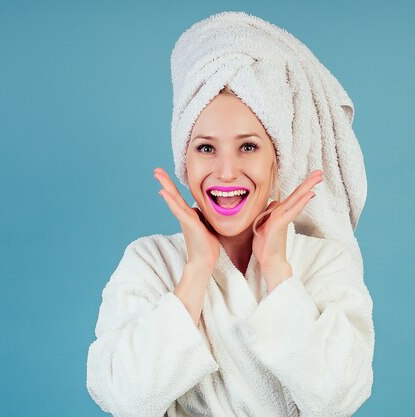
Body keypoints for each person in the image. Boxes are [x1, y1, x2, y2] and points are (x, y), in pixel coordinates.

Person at [87, 11, 374, 417]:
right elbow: (125, 398)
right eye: (206, 148)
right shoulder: (151, 263)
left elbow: (336, 399)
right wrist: (197, 269)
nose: (225, 171)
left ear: (279, 160)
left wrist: (276, 268)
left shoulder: (323, 263)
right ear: (184, 161)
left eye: (249, 147)